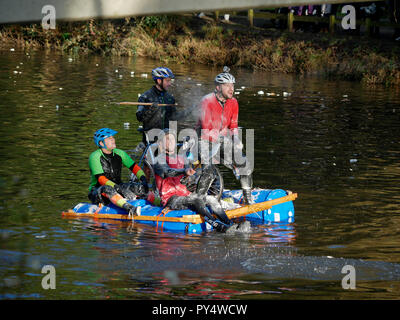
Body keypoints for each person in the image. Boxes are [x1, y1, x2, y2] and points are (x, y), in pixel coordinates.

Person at [153, 129, 232, 232]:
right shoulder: (158, 160)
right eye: (167, 139)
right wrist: (184, 172)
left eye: (172, 138)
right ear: (160, 144)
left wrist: (190, 181)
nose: (171, 141)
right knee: (196, 200)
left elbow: (189, 177)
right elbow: (168, 172)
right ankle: (217, 225)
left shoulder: (182, 159)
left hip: (185, 195)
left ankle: (229, 224)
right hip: (170, 199)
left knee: (211, 199)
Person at [197, 66, 254, 205]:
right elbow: (206, 129)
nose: (231, 89)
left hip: (221, 141)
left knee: (244, 162)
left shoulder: (233, 102)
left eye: (232, 85)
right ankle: (199, 199)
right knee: (209, 172)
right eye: (227, 85)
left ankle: (248, 198)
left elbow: (233, 126)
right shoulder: (207, 101)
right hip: (203, 141)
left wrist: (237, 140)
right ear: (218, 87)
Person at [88, 128, 151, 216]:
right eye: (109, 139)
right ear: (101, 143)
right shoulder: (94, 156)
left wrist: (143, 179)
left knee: (141, 188)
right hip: (98, 191)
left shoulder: (120, 153)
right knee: (107, 188)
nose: (113, 140)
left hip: (118, 186)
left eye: (113, 137)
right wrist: (118, 188)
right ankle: (130, 208)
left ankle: (156, 205)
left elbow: (135, 168)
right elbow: (101, 179)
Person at [136, 67, 177, 142]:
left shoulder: (170, 98)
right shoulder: (145, 97)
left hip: (167, 141)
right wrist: (151, 110)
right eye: (167, 81)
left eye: (170, 81)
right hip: (151, 139)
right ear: (159, 81)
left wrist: (191, 110)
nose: (169, 84)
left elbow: (175, 118)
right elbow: (139, 117)